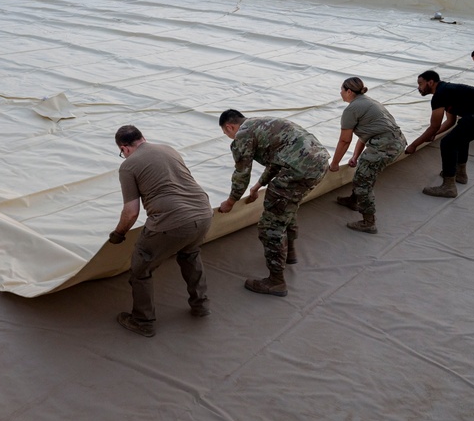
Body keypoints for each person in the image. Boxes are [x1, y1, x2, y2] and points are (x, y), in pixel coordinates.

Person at [108, 125, 213, 337]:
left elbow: (131, 212)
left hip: (171, 222)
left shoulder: (129, 165)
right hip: (203, 213)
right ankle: (200, 305)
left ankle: (143, 321)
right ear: (143, 138)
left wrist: (118, 234)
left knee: (140, 268)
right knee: (190, 254)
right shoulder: (169, 149)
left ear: (124, 148)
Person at [217, 111, 329, 297]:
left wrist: (230, 202)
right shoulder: (264, 123)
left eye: (226, 133)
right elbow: (278, 160)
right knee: (287, 207)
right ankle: (290, 253)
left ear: (230, 126)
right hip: (319, 162)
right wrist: (259, 185)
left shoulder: (243, 135)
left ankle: (276, 281)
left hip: (297, 169)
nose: (229, 137)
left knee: (270, 225)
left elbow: (241, 174)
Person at [404, 70, 474, 198]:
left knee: (448, 143)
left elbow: (434, 126)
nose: (419, 88)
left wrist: (413, 145)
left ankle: (448, 187)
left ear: (430, 82)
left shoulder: (440, 95)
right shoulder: (447, 91)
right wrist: (434, 134)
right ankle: (460, 173)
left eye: (420, 84)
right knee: (461, 136)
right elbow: (450, 122)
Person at [328, 78, 406, 234]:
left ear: (349, 91)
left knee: (363, 181)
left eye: (342, 90)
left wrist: (334, 164)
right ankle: (353, 200)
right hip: (396, 142)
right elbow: (366, 134)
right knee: (364, 173)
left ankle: (368, 222)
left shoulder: (351, 109)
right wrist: (355, 156)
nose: (340, 93)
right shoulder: (368, 102)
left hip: (384, 146)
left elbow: (344, 140)